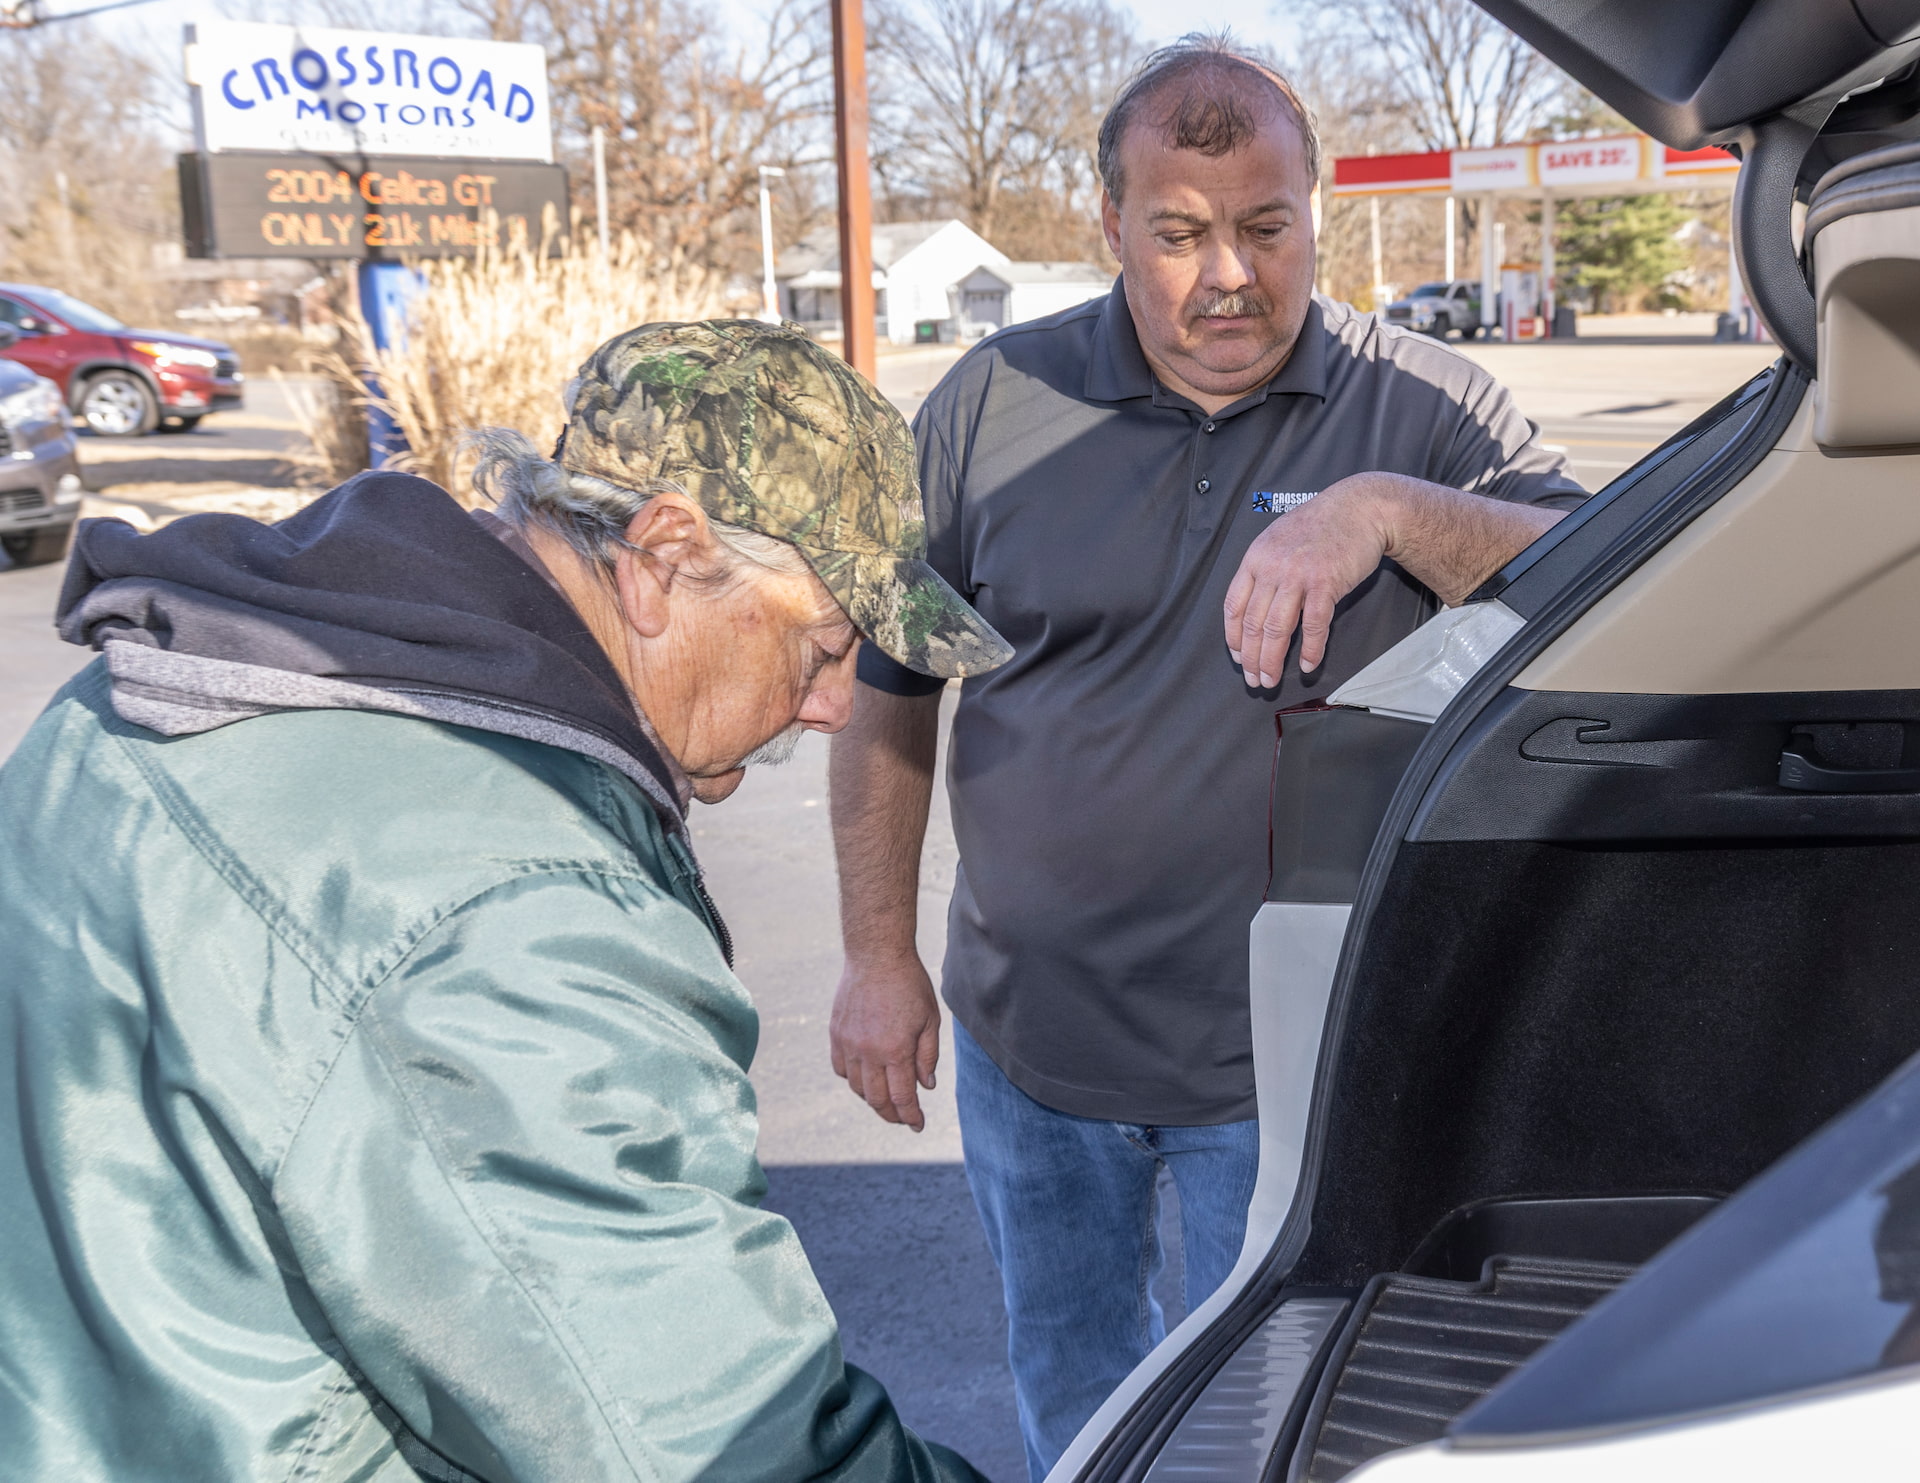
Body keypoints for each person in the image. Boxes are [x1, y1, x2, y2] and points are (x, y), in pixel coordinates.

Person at [0, 321, 1011, 1482]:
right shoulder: (513, 906)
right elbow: (712, 1442)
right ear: (665, 553)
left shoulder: (188, 675)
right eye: (824, 646)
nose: (836, 707)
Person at [827, 34, 1588, 1480]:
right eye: (1177, 233)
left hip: (1294, 1065)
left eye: (1264, 227)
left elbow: (1602, 568)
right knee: (1075, 1393)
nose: (1226, 274)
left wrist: (1380, 511)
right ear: (1109, 223)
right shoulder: (989, 407)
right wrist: (875, 953)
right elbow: (885, 692)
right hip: (1031, 1048)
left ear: (1322, 209)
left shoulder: (1421, 408)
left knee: (1282, 1415)